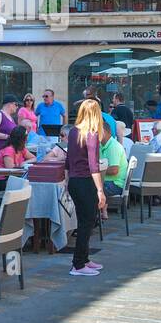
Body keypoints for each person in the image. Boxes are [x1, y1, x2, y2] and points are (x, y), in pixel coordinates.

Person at [65, 98, 108, 277]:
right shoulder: (91, 134)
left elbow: (68, 160)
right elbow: (93, 165)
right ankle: (78, 264)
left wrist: (68, 181)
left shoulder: (74, 131)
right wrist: (100, 190)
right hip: (85, 181)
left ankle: (84, 258)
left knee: (86, 221)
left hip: (75, 180)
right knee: (87, 222)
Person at [100, 133, 129, 197]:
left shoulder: (114, 146)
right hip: (107, 182)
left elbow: (114, 170)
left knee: (90, 189)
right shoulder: (101, 145)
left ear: (103, 132)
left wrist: (96, 170)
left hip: (115, 184)